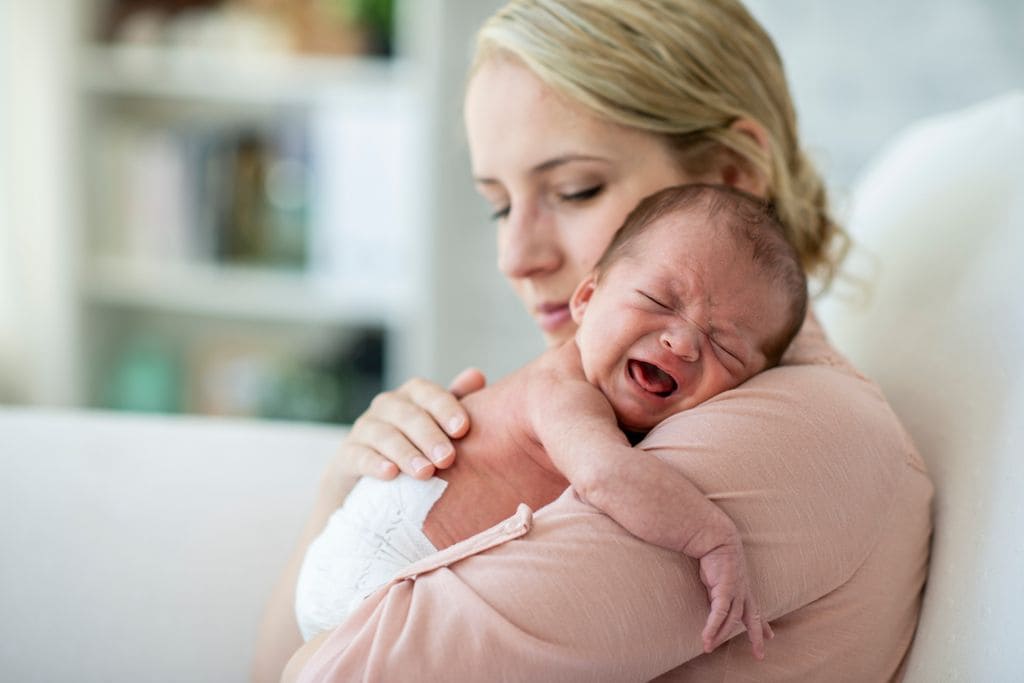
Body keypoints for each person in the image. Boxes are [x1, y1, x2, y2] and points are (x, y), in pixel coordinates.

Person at [253, 1, 933, 680]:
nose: (515, 256)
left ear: (730, 177)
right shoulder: (624, 405)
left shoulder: (796, 434)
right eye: (499, 203)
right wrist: (347, 486)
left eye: (575, 189)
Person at [294, 183, 805, 659]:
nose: (684, 342)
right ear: (585, 299)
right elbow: (606, 476)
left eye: (725, 347)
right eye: (657, 301)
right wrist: (713, 538)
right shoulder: (561, 391)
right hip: (375, 571)